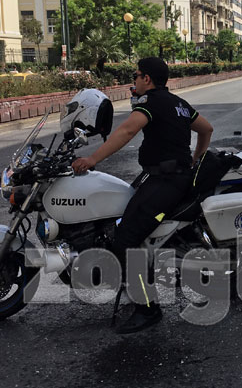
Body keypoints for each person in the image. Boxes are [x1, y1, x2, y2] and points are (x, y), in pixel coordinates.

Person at [72, 57, 213, 334]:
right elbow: (206, 129)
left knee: (127, 239)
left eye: (135, 76)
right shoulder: (179, 103)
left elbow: (127, 130)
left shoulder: (149, 103)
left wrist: (92, 159)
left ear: (147, 78)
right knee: (120, 221)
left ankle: (148, 308)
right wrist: (196, 158)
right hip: (164, 177)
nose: (133, 81)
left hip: (166, 181)